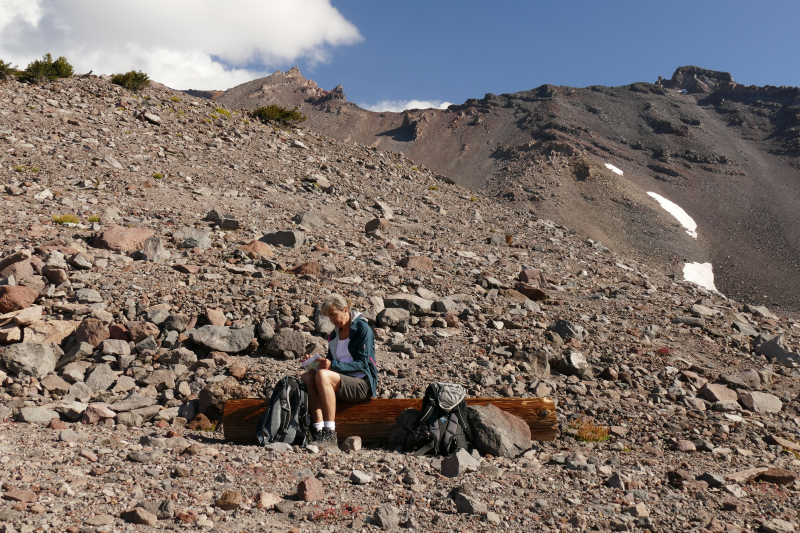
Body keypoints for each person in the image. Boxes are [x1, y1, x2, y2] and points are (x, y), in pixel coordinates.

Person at [300, 294, 378, 448]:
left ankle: (330, 433)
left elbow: (363, 364)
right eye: (329, 317)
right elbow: (330, 363)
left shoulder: (362, 329)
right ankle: (318, 429)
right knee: (307, 377)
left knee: (323, 375)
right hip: (340, 380)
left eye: (333, 315)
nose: (332, 320)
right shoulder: (334, 334)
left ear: (345, 310)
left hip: (361, 383)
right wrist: (314, 363)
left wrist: (332, 365)